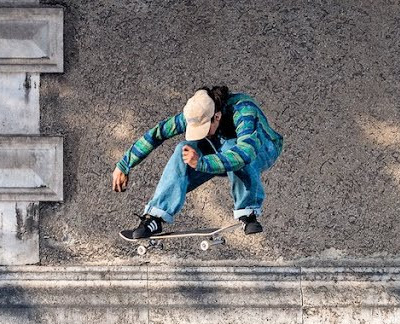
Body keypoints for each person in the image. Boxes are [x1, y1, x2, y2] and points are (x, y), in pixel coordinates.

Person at [113, 86, 283, 239]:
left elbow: (246, 153)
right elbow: (157, 134)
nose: (202, 135)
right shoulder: (195, 113)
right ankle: (155, 217)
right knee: (183, 149)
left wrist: (202, 162)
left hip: (262, 148)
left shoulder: (243, 110)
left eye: (204, 129)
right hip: (221, 150)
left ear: (217, 116)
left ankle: (248, 212)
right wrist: (124, 165)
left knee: (232, 147)